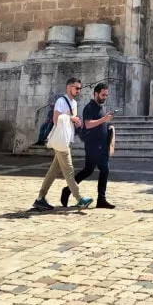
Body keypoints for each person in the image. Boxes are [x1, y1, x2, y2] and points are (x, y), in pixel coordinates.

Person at [32, 77, 92, 211]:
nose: (78, 90)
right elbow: (56, 119)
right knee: (69, 170)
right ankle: (80, 198)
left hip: (67, 139)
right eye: (76, 88)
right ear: (69, 87)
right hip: (61, 141)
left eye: (79, 88)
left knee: (53, 171)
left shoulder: (74, 103)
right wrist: (71, 118)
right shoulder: (61, 101)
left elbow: (70, 121)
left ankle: (40, 198)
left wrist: (77, 122)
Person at [61, 81, 115, 209]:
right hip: (93, 145)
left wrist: (108, 126)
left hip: (102, 144)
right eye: (103, 95)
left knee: (90, 170)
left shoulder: (101, 108)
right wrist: (104, 120)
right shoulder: (89, 108)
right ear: (95, 93)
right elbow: (88, 124)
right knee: (97, 170)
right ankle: (98, 198)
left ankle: (70, 191)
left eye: (106, 95)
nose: (104, 97)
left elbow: (100, 123)